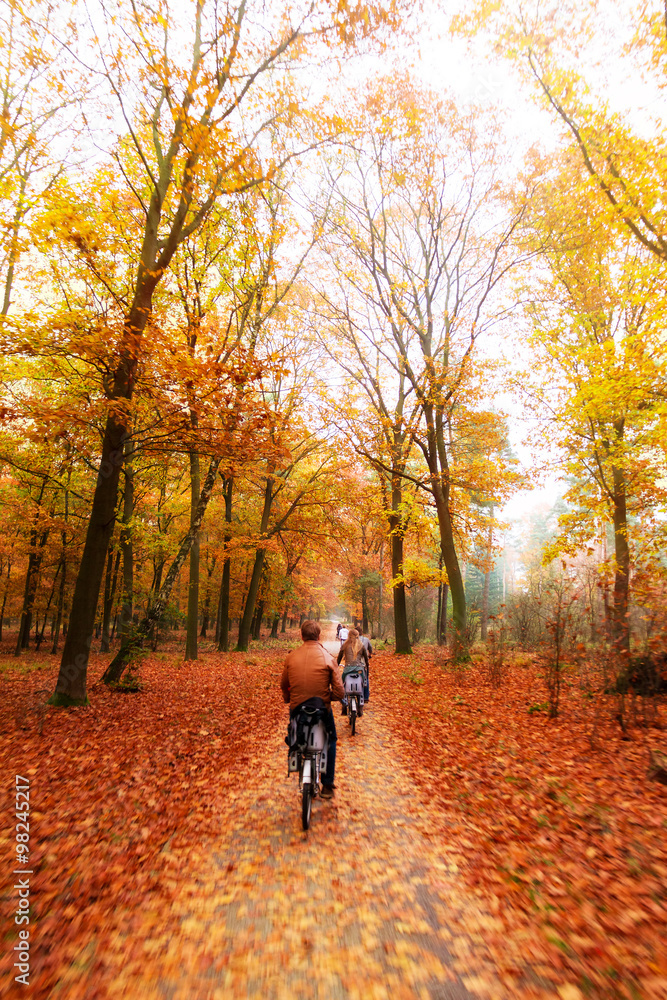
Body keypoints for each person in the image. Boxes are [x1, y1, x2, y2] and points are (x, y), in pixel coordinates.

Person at [280, 619, 344, 798]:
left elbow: (284, 684)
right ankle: (328, 784)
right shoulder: (328, 658)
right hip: (321, 709)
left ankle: (296, 753)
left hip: (298, 708)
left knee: (294, 734)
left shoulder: (291, 657)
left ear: (301, 635)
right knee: (331, 739)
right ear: (319, 635)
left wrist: (289, 699)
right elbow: (339, 691)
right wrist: (328, 697)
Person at [337, 628, 369, 716]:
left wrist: (336, 665)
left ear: (349, 635)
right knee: (362, 684)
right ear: (357, 636)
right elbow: (366, 658)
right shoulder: (361, 645)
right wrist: (366, 665)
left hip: (347, 670)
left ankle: (344, 706)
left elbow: (339, 658)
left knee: (342, 685)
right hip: (359, 670)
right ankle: (361, 706)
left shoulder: (345, 645)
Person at [357, 627, 373, 702]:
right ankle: (366, 697)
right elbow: (370, 649)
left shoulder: (352, 641)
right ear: (362, 632)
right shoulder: (366, 640)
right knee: (365, 678)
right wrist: (369, 654)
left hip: (354, 662)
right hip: (363, 662)